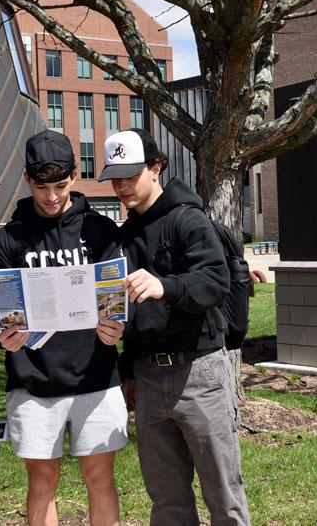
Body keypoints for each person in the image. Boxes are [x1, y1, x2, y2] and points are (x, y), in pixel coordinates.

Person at [98, 128, 251, 526]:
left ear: (156, 167)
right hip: (148, 377)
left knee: (224, 495)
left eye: (130, 175)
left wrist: (165, 284)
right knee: (167, 502)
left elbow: (214, 281)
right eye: (115, 178)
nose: (122, 186)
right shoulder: (124, 235)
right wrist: (125, 360)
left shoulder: (188, 220)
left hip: (199, 371)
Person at [0, 130, 128, 526]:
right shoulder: (8, 240)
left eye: (60, 185)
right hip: (34, 383)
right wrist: (2, 335)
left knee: (99, 478)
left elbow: (117, 302)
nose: (51, 196)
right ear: (26, 179)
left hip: (96, 379)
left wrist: (117, 328)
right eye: (41, 186)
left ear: (75, 175)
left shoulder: (101, 231)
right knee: (42, 482)